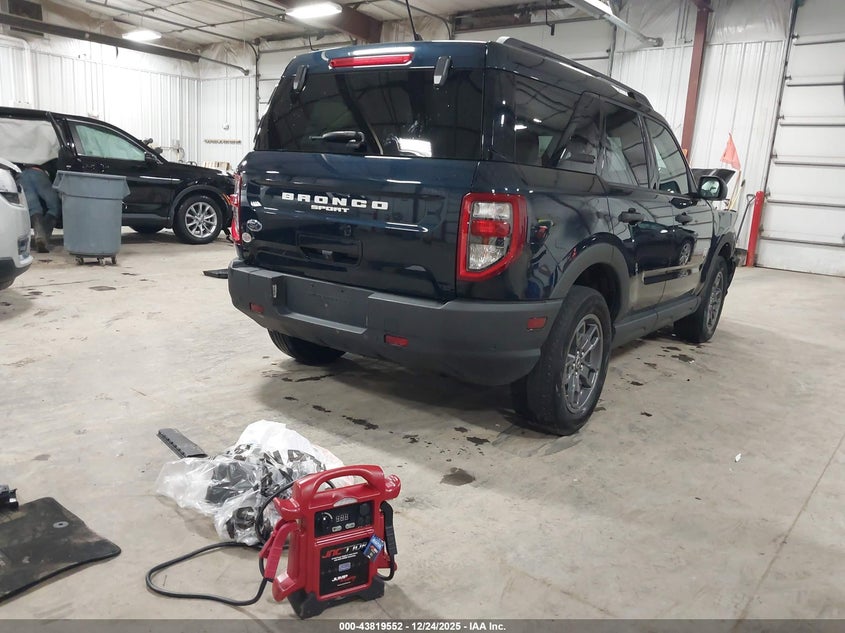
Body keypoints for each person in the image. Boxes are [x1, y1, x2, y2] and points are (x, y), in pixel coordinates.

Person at [19, 164, 61, 253]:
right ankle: (44, 238)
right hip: (39, 173)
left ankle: (39, 234)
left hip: (21, 175)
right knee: (55, 207)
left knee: (34, 208)